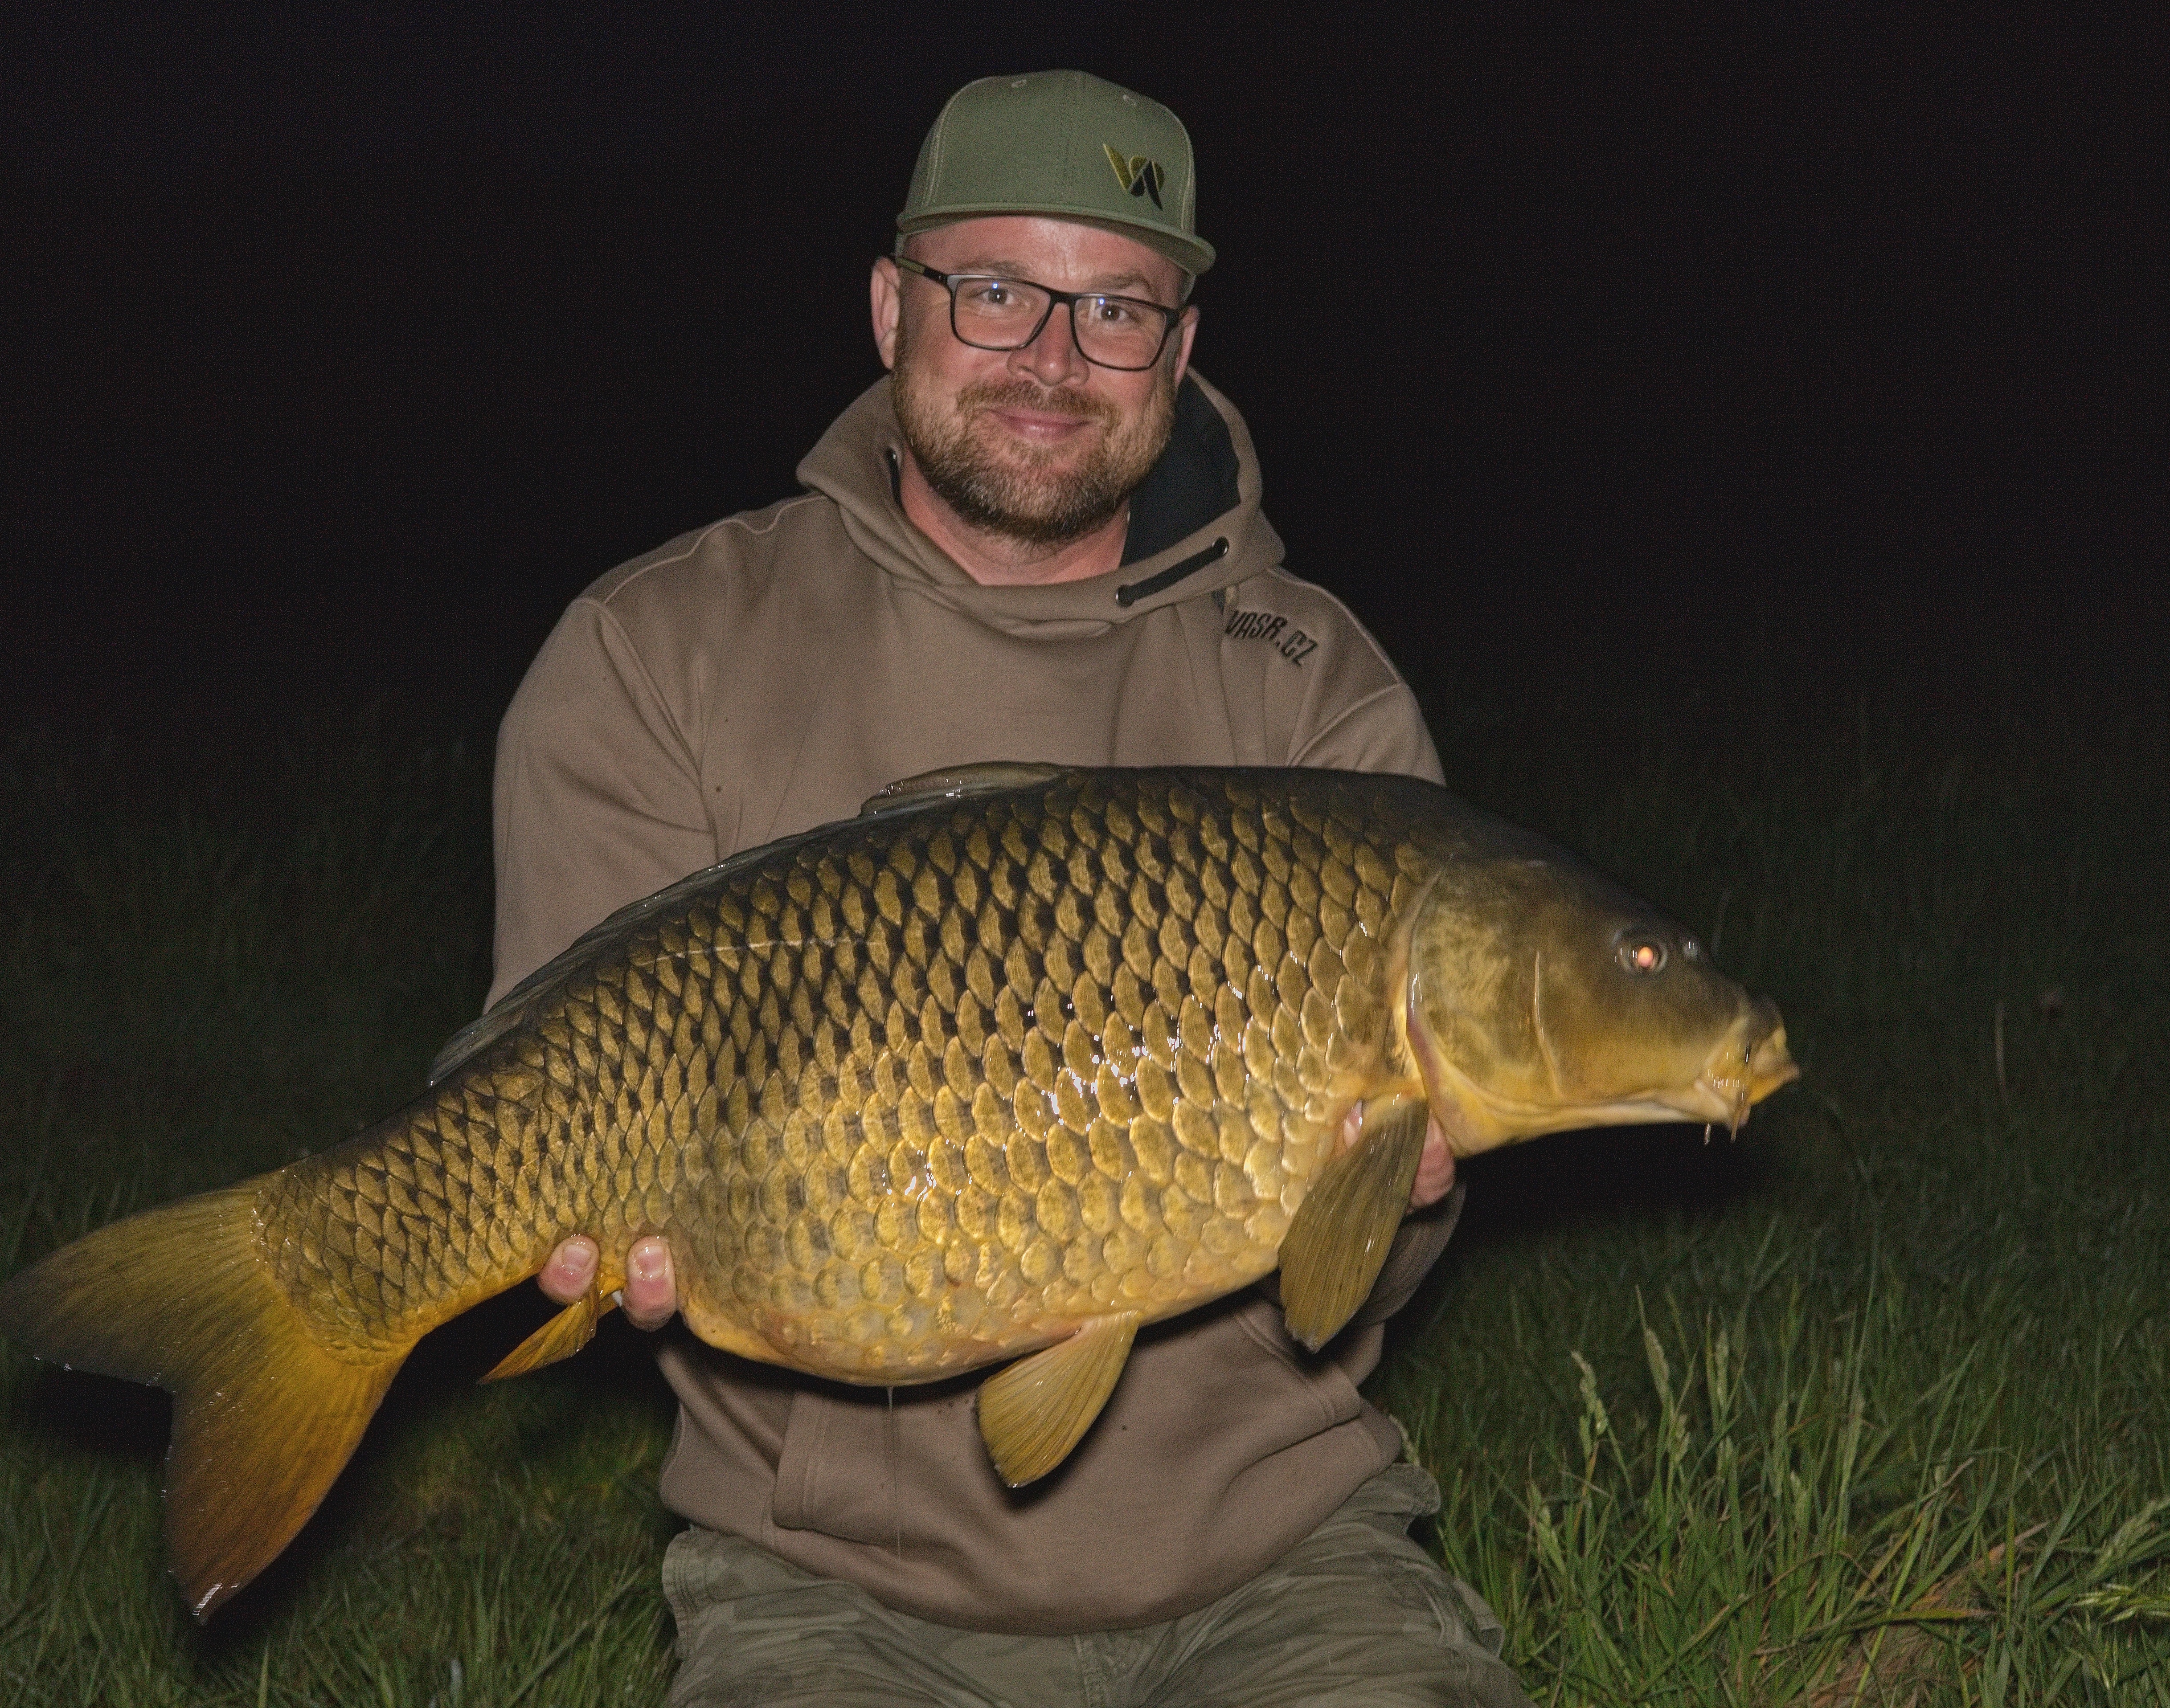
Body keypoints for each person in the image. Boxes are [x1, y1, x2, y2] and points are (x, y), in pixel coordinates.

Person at [491, 69, 1535, 1708]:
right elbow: (551, 1077)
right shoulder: (655, 655)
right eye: (996, 293)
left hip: (1280, 1557)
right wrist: (596, 1218)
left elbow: (1367, 1288)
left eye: (1115, 308)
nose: (1053, 357)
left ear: (1181, 354)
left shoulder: (1313, 690)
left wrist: (1404, 1195)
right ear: (894, 305)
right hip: (834, 1590)